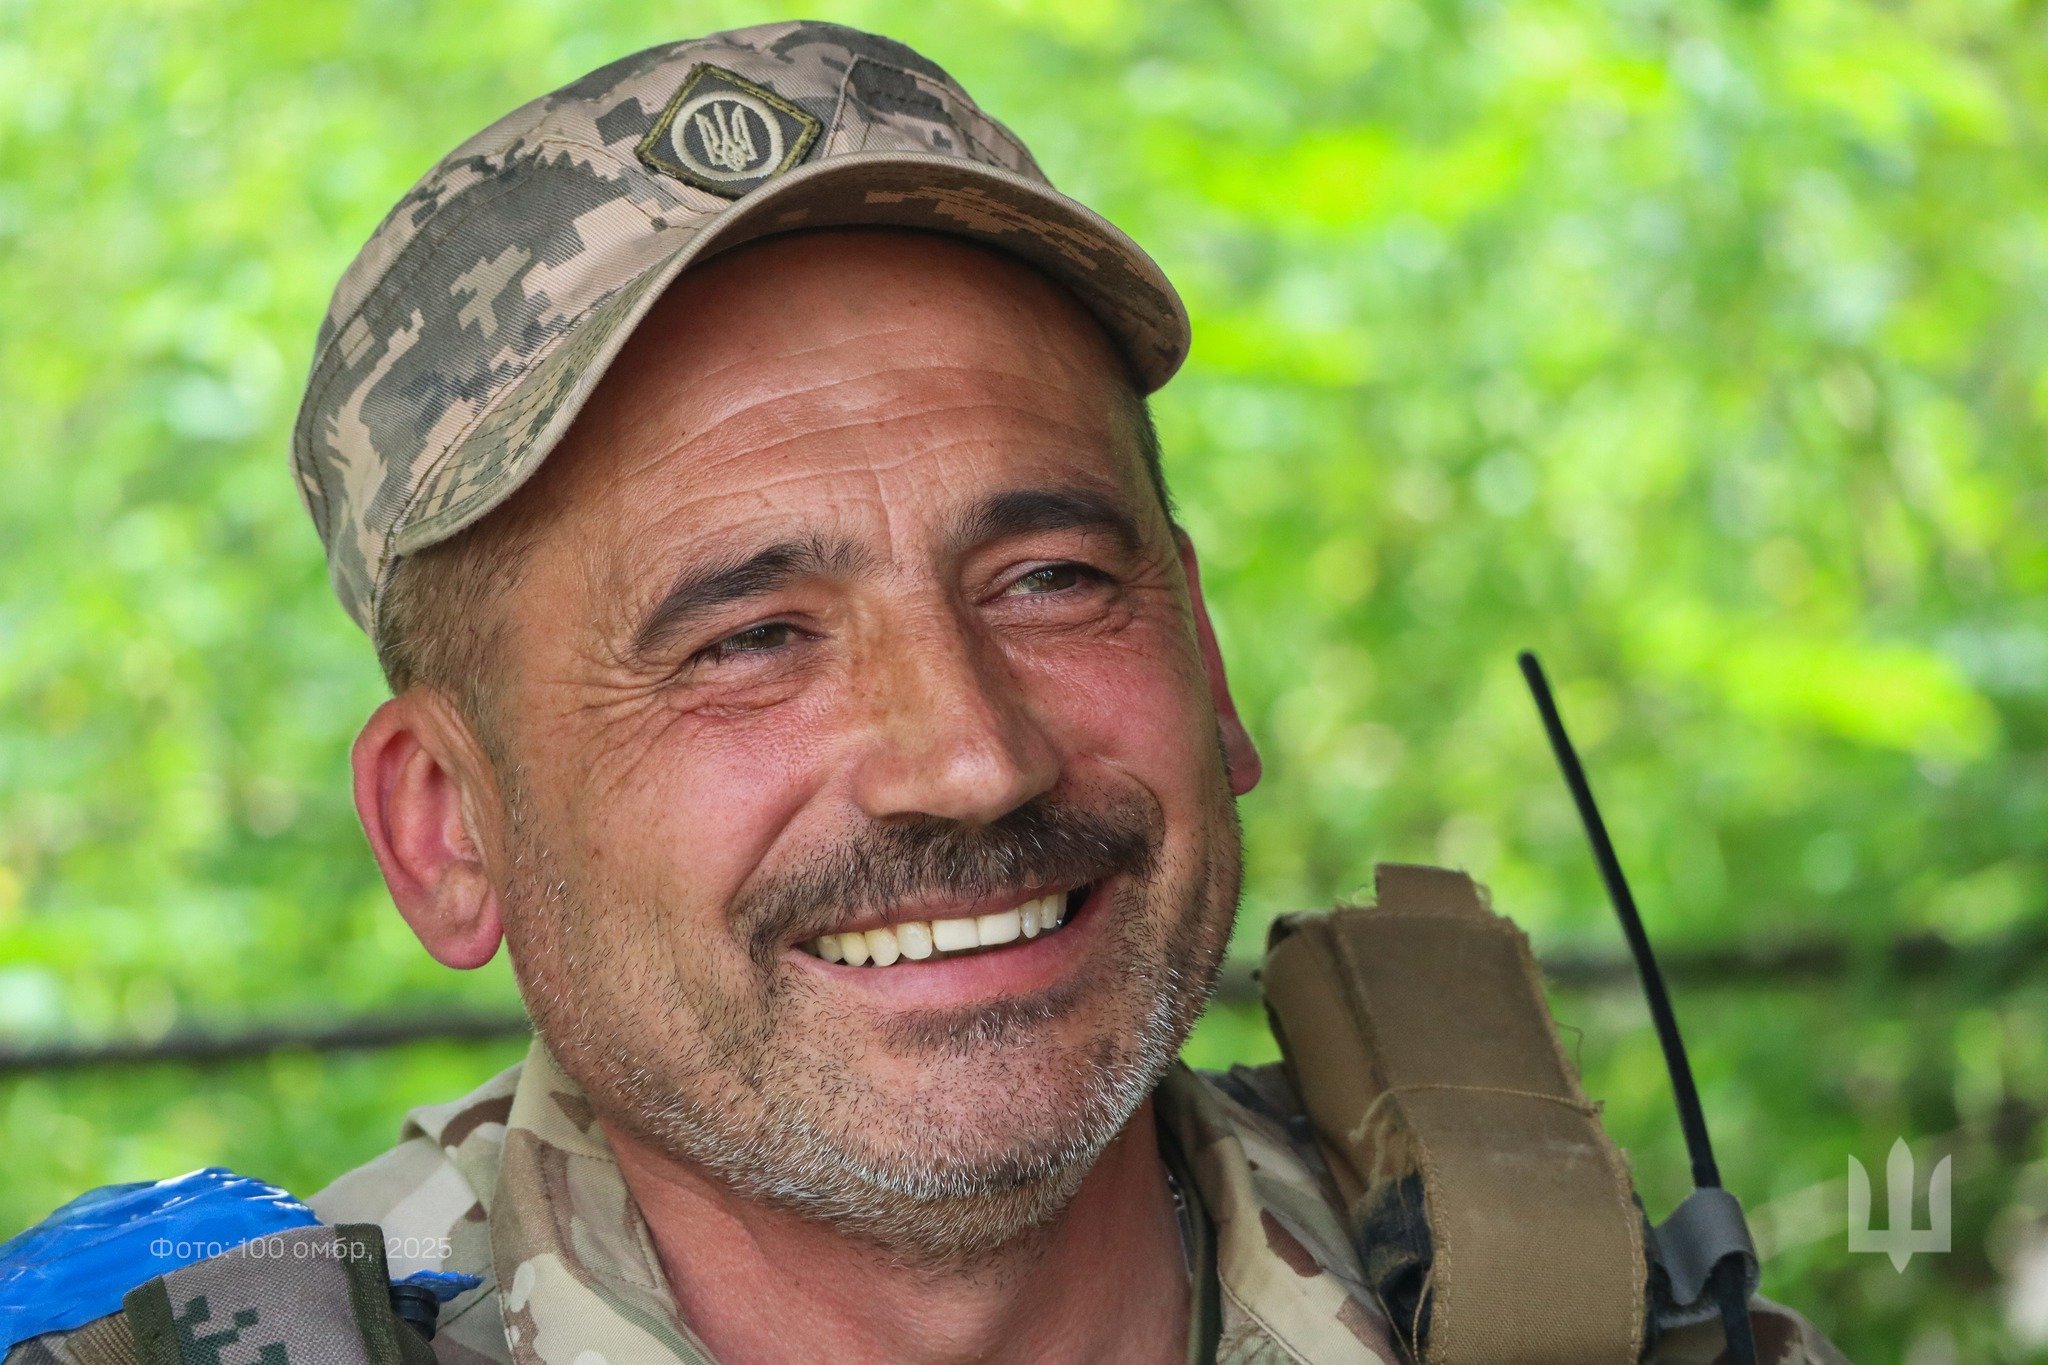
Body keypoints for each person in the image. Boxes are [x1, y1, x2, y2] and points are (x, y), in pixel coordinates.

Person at [6, 20, 1845, 1364]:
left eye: (1050, 581)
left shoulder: (1587, 1322)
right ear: (445, 830)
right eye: (749, 638)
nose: (970, 757)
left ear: (1206, 660)